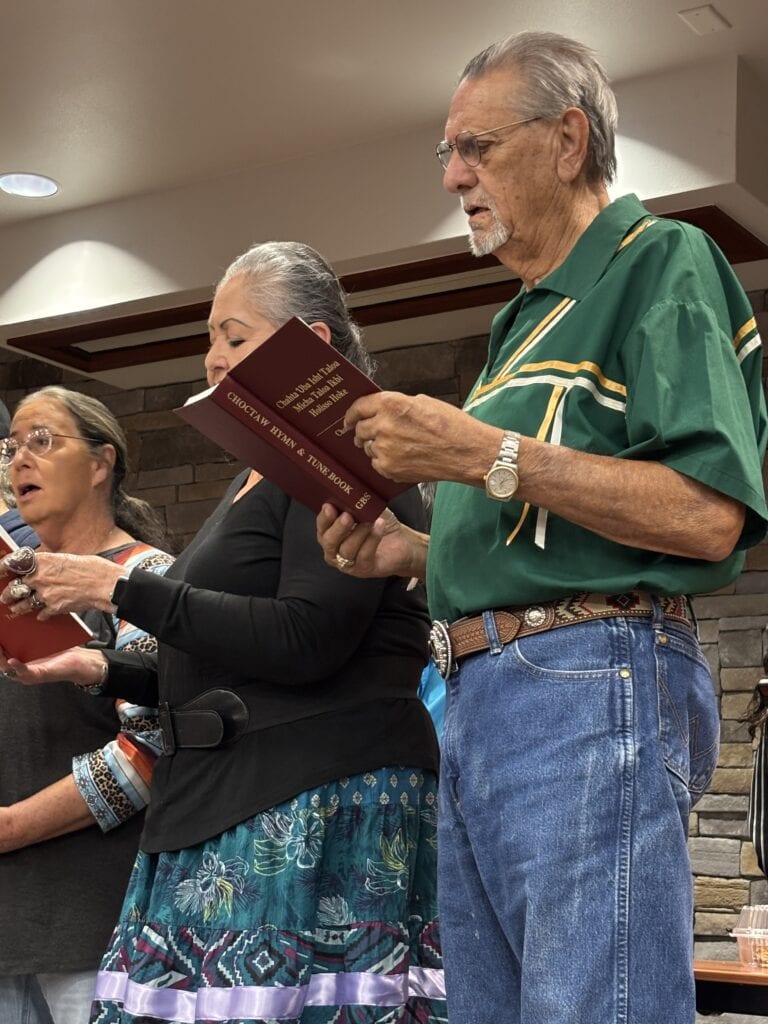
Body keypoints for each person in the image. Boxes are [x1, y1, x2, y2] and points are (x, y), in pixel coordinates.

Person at [316, 30, 768, 1024]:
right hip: (482, 696)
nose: (452, 175)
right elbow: (541, 542)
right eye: (447, 150)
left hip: (588, 681)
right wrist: (413, 553)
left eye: (476, 146)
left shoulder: (661, 261)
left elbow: (708, 513)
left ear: (568, 140)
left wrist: (479, 451)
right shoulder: (521, 323)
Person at [0, 243, 445, 1024]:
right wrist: (99, 670)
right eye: (211, 340)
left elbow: (307, 639)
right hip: (221, 802)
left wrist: (118, 586)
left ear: (312, 345)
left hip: (308, 805)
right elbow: (217, 654)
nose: (212, 360)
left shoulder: (339, 452)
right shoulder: (259, 475)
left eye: (235, 338)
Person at [0, 387, 172, 1024]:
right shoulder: (12, 579)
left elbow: (154, 747)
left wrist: (14, 824)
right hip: (11, 923)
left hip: (96, 917)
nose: (21, 460)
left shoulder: (147, 577)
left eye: (41, 441)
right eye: (12, 447)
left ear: (102, 463)